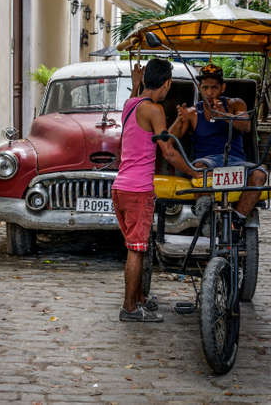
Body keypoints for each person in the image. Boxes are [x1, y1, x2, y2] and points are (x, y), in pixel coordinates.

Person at [112, 59, 200, 322]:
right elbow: (168, 152)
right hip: (139, 190)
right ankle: (129, 308)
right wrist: (194, 173)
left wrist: (136, 84)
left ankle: (139, 299)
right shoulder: (155, 109)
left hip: (121, 187)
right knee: (136, 249)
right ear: (167, 83)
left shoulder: (132, 104)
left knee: (136, 245)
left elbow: (159, 138)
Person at [171, 63, 266, 228]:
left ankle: (237, 219)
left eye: (214, 88)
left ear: (222, 87)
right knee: (200, 167)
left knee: (259, 174)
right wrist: (180, 119)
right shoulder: (193, 113)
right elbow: (170, 139)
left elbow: (246, 126)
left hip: (235, 162)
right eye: (205, 88)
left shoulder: (236, 104)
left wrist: (225, 115)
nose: (209, 92)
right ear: (200, 88)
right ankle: (206, 216)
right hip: (207, 162)